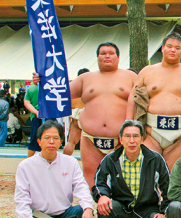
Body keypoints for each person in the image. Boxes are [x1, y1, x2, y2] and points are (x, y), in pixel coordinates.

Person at [34, 42, 137, 186]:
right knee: (90, 175)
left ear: (118, 57)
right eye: (103, 53)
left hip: (121, 139)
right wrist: (42, 81)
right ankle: (93, 207)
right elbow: (60, 94)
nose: (107, 56)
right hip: (90, 138)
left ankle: (119, 208)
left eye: (111, 53)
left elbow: (146, 99)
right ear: (97, 57)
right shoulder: (86, 78)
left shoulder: (131, 77)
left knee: (124, 177)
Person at [127, 32, 181, 172]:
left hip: (180, 132)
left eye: (177, 48)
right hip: (151, 130)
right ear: (162, 48)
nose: (173, 50)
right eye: (169, 46)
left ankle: (168, 195)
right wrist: (128, 124)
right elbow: (133, 98)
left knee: (174, 173)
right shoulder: (147, 71)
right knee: (149, 171)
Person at [14, 120, 94, 218]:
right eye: (47, 138)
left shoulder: (70, 163)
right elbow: (21, 198)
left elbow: (81, 187)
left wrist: (88, 207)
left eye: (55, 138)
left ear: (61, 141)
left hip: (63, 214)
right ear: (39, 141)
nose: (51, 142)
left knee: (85, 210)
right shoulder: (25, 166)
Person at [93, 120, 170, 218]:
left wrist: (164, 212)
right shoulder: (110, 160)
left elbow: (168, 188)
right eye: (127, 136)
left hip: (147, 209)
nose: (132, 140)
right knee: (104, 206)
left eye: (136, 136)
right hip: (121, 208)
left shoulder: (155, 159)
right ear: (120, 139)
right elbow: (100, 183)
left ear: (142, 138)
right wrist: (102, 196)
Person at [63, 68, 90, 156]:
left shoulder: (71, 87)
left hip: (75, 116)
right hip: (88, 116)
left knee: (71, 142)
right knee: (91, 145)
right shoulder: (92, 87)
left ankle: (64, 163)